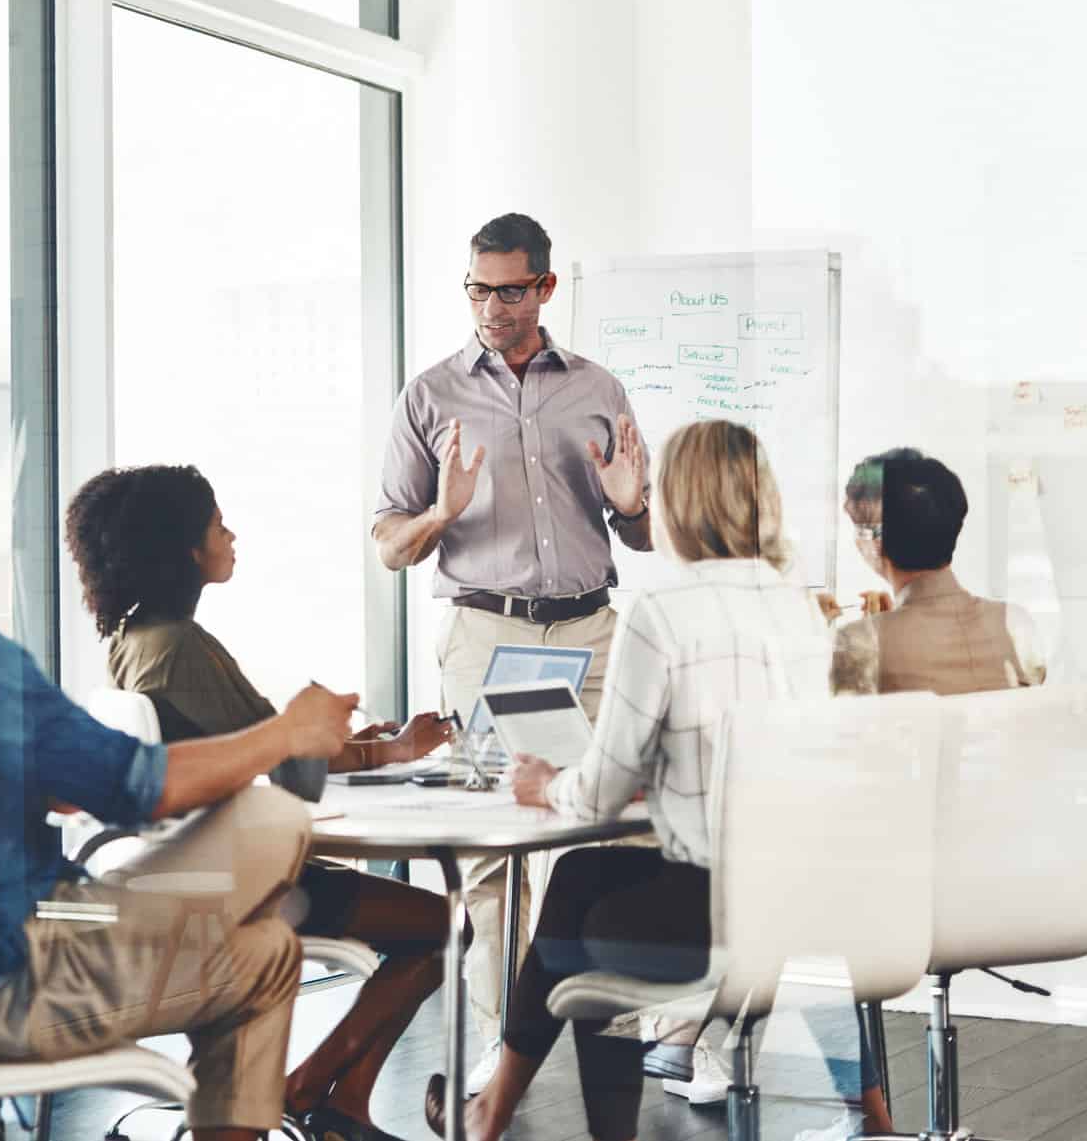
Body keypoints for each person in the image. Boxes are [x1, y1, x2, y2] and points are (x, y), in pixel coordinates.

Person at [0, 396, 359, 1141]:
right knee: (273, 831)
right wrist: (286, 733)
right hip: (16, 980)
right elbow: (138, 789)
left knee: (264, 947)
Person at [427, 420, 830, 1141]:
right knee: (583, 876)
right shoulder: (798, 608)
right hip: (792, 896)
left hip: (716, 911)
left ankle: (513, 1114)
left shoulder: (663, 614)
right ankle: (491, 1112)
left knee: (584, 922)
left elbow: (599, 790)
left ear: (676, 499)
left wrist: (546, 784)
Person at [66, 463, 458, 1141]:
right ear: (188, 547)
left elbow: (257, 741)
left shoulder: (136, 640)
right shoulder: (181, 648)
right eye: (219, 523)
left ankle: (343, 1108)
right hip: (237, 888)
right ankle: (309, 1087)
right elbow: (287, 763)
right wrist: (392, 749)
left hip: (190, 873)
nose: (232, 533)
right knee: (445, 924)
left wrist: (350, 742)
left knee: (429, 923)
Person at [371, 211, 654, 1076]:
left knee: (610, 827)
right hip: (487, 632)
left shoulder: (599, 388)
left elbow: (639, 534)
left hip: (595, 631)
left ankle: (616, 1039)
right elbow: (389, 543)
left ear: (545, 287)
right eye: (477, 289)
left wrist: (633, 502)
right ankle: (506, 1059)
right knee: (499, 848)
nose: (491, 306)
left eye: (508, 289)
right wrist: (442, 512)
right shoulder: (429, 394)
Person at [782, 447, 1050, 1141]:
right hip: (1017, 878)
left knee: (780, 893)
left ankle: (869, 1118)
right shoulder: (1017, 624)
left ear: (875, 543)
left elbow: (845, 777)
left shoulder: (862, 641)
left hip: (909, 894)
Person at [829, 447, 1048, 696]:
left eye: (858, 528)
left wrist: (873, 633)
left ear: (874, 540)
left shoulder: (856, 645)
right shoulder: (1018, 625)